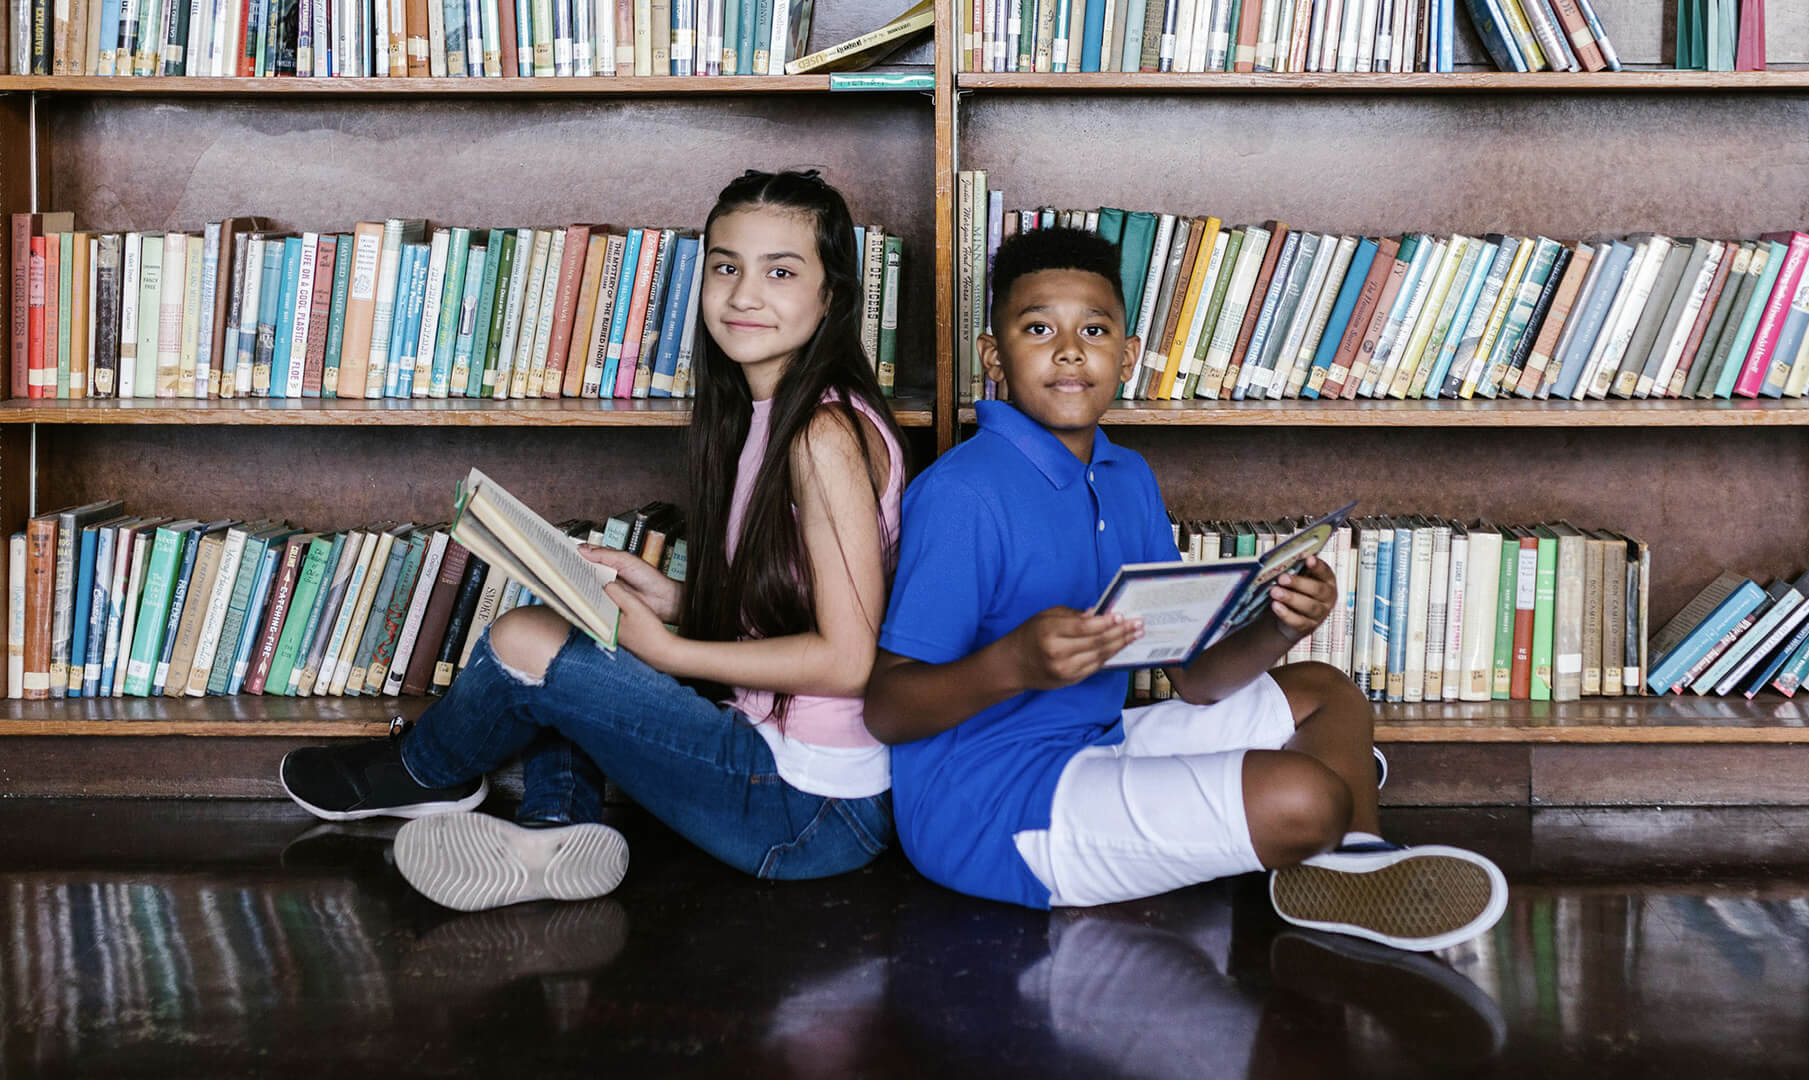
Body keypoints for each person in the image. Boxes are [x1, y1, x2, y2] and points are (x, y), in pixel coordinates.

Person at [863, 226, 1506, 951]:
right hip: (988, 806)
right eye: (1038, 327)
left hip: (1097, 743)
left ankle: (1352, 865)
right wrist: (1013, 664)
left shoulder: (1127, 476)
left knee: (1332, 693)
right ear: (993, 355)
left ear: (1127, 357)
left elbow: (1195, 678)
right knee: (1306, 795)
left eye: (1095, 329)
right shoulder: (962, 492)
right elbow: (887, 710)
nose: (1069, 350)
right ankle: (1321, 830)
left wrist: (1279, 628)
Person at [280, 169, 906, 912]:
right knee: (578, 626)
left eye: (781, 272)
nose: (744, 295)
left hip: (807, 810)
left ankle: (428, 770)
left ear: (832, 296)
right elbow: (797, 600)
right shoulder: (780, 414)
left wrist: (668, 647)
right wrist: (675, 597)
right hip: (787, 775)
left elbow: (846, 659)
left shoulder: (822, 434)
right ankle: (552, 827)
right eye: (726, 267)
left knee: (521, 639)